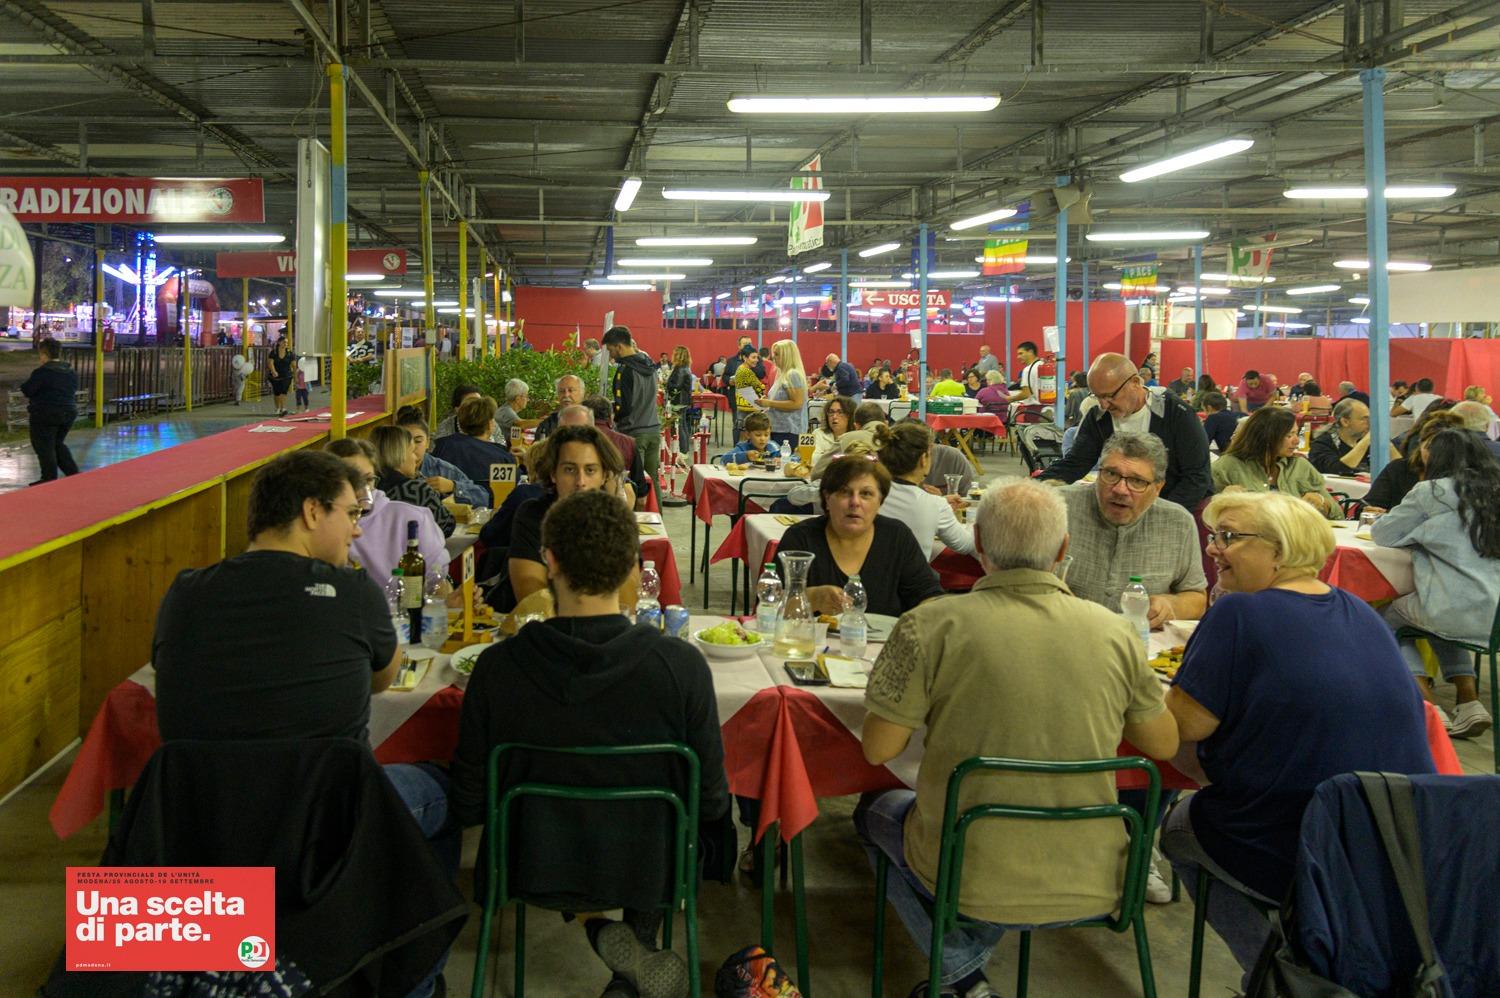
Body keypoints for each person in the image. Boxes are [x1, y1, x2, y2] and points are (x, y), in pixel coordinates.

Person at [151, 449, 460, 995]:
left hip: (198, 822)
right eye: (350, 514)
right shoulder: (352, 591)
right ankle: (406, 975)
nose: (357, 530)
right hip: (327, 822)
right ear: (313, 512)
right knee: (444, 791)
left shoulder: (185, 592)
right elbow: (385, 677)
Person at [856, 479, 1179, 998]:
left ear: (977, 542)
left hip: (969, 866)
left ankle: (962, 975)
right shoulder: (1117, 632)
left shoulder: (929, 624)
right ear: (1063, 549)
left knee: (873, 811)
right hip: (1097, 868)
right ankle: (965, 968)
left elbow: (879, 749)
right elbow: (1163, 746)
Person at [450, 489, 728, 998]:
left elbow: (468, 801)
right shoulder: (682, 667)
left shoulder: (497, 668)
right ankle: (625, 962)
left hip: (527, 860)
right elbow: (710, 801)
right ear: (632, 566)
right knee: (664, 823)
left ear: (549, 560)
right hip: (651, 865)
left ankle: (601, 933)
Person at [1162, 491, 1436, 982]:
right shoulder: (1361, 612)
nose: (1213, 549)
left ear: (1280, 551)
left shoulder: (1238, 613)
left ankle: (1282, 978)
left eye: (1229, 537)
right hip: (1397, 841)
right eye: (1213, 536)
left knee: (1180, 828)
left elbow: (1180, 727)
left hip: (1296, 838)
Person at [1376, 428, 1500, 736]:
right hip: (1495, 616)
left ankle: (1427, 705)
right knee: (1433, 618)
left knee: (1382, 618)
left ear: (1440, 456)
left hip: (1453, 608)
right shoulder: (1495, 492)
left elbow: (1383, 534)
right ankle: (1469, 702)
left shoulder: (1431, 492)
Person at [1061, 432, 1207, 623]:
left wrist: (1169, 605)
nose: (1120, 490)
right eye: (1111, 474)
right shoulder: (1059, 507)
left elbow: (1197, 598)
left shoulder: (1179, 523)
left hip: (1141, 645)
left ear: (1158, 488)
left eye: (1137, 481)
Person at [1039, 352, 1213, 510]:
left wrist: (1161, 514)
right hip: (1125, 507)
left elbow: (1197, 477)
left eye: (1110, 396)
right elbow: (1075, 463)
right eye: (1097, 396)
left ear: (1135, 382)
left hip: (1174, 504)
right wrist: (1032, 487)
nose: (1103, 405)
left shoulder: (1177, 414)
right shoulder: (1098, 417)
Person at [776, 455, 943, 617]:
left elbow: (928, 595)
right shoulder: (801, 538)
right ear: (827, 498)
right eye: (844, 492)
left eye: (866, 494)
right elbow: (768, 606)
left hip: (885, 643)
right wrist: (812, 598)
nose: (855, 502)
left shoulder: (897, 537)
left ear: (880, 501)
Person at [506, 424, 637, 608]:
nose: (580, 482)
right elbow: (531, 597)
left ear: (604, 475)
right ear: (553, 473)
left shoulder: (616, 520)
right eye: (569, 470)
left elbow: (628, 601)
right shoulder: (532, 515)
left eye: (590, 470)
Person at [326, 437, 448, 588]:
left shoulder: (409, 518)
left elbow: (437, 581)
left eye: (368, 479)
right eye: (352, 481)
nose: (363, 490)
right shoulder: (318, 527)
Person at [1211, 406, 1339, 519]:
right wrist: (1222, 500)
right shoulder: (1227, 466)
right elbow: (1205, 516)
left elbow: (1338, 514)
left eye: (1296, 434)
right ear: (1267, 437)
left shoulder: (1300, 466)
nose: (1296, 441)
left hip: (1297, 541)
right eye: (1289, 435)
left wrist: (1322, 503)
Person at [872, 421, 975, 560]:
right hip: (911, 579)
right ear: (923, 459)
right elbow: (966, 545)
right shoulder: (935, 505)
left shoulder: (868, 496)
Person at [1363, 408, 1466, 512]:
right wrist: (1372, 511)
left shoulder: (1466, 478)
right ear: (1420, 444)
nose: (1434, 454)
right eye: (1429, 447)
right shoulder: (1397, 469)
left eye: (1442, 449)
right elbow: (1367, 505)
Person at [601, 326, 662, 485]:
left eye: (611, 350)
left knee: (635, 483)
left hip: (634, 434)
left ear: (619, 347)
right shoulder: (650, 366)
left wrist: (611, 413)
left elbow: (624, 408)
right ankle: (657, 511)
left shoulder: (624, 370)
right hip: (654, 431)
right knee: (653, 480)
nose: (611, 355)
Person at [395, 407, 489, 509]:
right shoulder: (386, 471)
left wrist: (453, 486)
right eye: (405, 441)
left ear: (428, 442)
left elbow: (483, 498)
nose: (412, 447)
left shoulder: (442, 470)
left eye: (418, 441)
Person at [371, 425, 456, 537]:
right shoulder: (417, 489)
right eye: (412, 451)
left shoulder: (366, 487)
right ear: (399, 455)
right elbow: (447, 526)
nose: (416, 458)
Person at [431, 396, 516, 502]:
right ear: (490, 425)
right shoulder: (503, 458)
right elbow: (512, 492)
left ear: (461, 424)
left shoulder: (442, 446)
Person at [20, 337, 80, 483]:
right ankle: (74, 475)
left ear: (44, 354)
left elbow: (28, 390)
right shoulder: (70, 371)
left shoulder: (42, 372)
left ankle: (48, 479)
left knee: (44, 446)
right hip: (68, 413)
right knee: (57, 444)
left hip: (45, 414)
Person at [580, 395, 647, 504]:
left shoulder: (574, 441)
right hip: (619, 508)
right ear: (611, 418)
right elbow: (641, 498)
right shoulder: (628, 443)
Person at [1306, 397, 1399, 475]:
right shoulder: (1322, 444)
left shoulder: (1368, 440)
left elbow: (1401, 467)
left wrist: (1387, 443)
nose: (1369, 423)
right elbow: (1338, 470)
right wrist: (1365, 441)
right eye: (1364, 419)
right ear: (1345, 422)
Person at [755, 338, 809, 450]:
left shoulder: (792, 374)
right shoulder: (783, 374)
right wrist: (768, 400)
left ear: (787, 356)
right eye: (774, 354)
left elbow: (797, 403)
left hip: (788, 431)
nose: (773, 357)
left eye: (777, 354)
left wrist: (769, 402)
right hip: (780, 429)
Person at [533, 373, 587, 441]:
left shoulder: (593, 421)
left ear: (582, 393)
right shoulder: (548, 424)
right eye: (562, 391)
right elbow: (538, 449)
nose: (566, 395)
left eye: (571, 390)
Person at [666, 345, 697, 451]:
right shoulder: (686, 368)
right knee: (683, 426)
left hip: (678, 401)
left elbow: (676, 386)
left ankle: (682, 451)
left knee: (679, 427)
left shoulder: (679, 369)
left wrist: (666, 384)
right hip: (684, 401)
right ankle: (684, 450)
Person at [1009, 340, 1043, 409]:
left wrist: (1010, 399)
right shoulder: (1042, 364)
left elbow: (1026, 394)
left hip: (1034, 409)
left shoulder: (1028, 370)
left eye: (1021, 353)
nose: (1018, 357)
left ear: (1030, 352)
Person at [494, 378, 529, 445]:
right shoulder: (507, 412)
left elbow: (516, 437)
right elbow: (521, 424)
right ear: (518, 399)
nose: (528, 400)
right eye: (526, 396)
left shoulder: (505, 409)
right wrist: (543, 421)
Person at [267, 337, 295, 416]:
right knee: (277, 393)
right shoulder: (274, 352)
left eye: (286, 342)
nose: (285, 344)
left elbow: (293, 364)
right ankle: (277, 408)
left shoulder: (290, 353)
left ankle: (283, 408)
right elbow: (270, 363)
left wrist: (296, 374)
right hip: (275, 376)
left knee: (283, 391)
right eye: (284, 342)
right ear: (279, 342)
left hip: (287, 375)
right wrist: (273, 371)